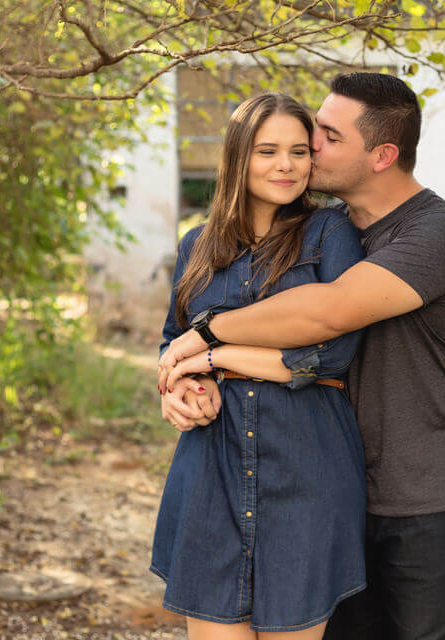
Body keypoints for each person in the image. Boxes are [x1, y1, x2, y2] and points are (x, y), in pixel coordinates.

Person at [160, 72, 445, 640]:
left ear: (382, 155)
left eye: (325, 138)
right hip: (333, 484)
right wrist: (179, 382)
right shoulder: (332, 230)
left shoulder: (432, 234)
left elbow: (327, 317)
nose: (309, 151)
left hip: (421, 497)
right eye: (281, 145)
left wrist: (208, 342)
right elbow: (174, 340)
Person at [149, 93, 368, 639]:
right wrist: (183, 388)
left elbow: (331, 355)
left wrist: (216, 355)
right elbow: (174, 344)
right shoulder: (196, 247)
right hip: (210, 475)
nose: (286, 165)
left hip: (306, 472)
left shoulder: (331, 235)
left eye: (299, 151)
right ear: (238, 157)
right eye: (267, 150)